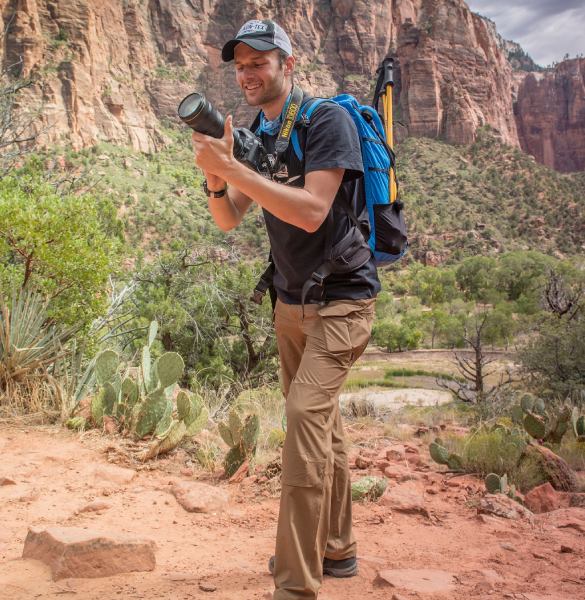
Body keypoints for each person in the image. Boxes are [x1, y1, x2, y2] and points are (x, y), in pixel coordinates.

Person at [191, 18, 380, 600]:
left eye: (259, 62)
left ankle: (296, 584)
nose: (248, 74)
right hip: (290, 303)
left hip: (342, 303)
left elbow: (312, 211)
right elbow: (229, 219)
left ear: (287, 65)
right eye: (240, 65)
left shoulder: (327, 121)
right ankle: (338, 549)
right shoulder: (260, 134)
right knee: (324, 425)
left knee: (302, 423)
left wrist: (234, 169)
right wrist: (216, 181)